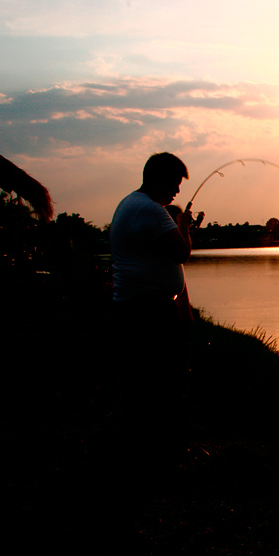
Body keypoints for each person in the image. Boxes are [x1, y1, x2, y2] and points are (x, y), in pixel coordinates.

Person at [108, 152, 195, 469]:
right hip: (148, 310)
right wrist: (183, 226)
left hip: (135, 307)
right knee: (162, 379)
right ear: (157, 178)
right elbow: (181, 253)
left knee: (143, 379)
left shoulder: (130, 204)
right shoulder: (150, 210)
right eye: (174, 183)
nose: (177, 191)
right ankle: (161, 451)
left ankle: (147, 445)